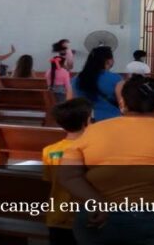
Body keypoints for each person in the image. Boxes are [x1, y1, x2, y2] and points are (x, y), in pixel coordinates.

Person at [58, 75, 154, 245]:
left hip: (101, 217)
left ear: (122, 102)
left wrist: (97, 203)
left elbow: (68, 176)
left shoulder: (92, 131)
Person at [43, 98, 93, 245]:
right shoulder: (92, 150)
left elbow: (49, 180)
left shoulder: (49, 151)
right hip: (87, 215)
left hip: (57, 215)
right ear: (88, 121)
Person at [71, 46, 123, 122]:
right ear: (109, 61)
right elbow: (123, 105)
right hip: (111, 120)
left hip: (84, 121)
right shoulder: (116, 79)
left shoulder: (76, 79)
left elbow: (70, 102)